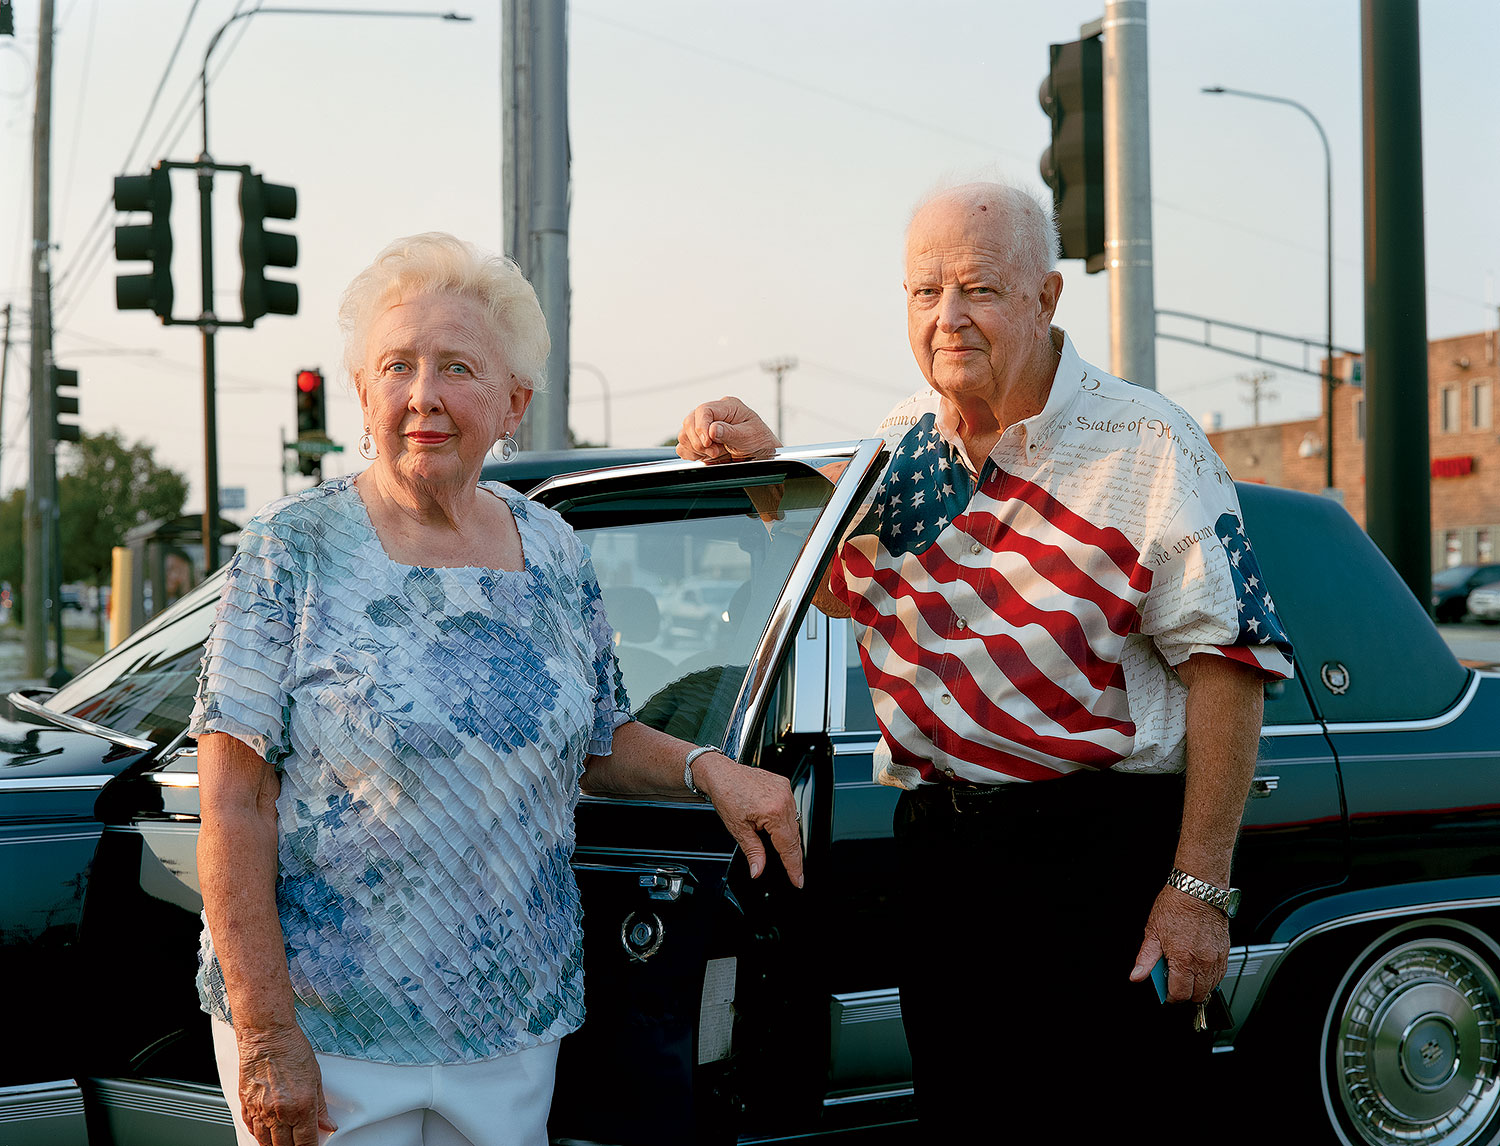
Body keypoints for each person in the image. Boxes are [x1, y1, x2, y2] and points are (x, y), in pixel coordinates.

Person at [677, 182, 1292, 1137]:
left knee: (1121, 1115)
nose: (947, 318)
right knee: (962, 1113)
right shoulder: (901, 441)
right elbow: (845, 589)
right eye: (925, 293)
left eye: (979, 289)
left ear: (1047, 299)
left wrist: (1198, 888)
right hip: (942, 855)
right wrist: (763, 475)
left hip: (1104, 857)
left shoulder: (1147, 442)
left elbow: (1230, 664)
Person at [191, 232, 803, 1146]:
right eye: (396, 366)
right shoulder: (295, 548)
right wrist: (269, 1032)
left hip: (513, 1025)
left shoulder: (553, 547)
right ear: (362, 392)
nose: (423, 395)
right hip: (332, 1030)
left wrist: (711, 768)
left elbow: (597, 740)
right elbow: (233, 802)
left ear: (512, 402)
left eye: (457, 367)